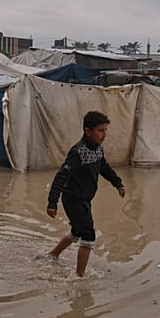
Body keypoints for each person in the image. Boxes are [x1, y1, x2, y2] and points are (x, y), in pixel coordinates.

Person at [46, 110, 126, 276]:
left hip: (84, 199)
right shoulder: (78, 152)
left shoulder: (98, 149)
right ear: (88, 131)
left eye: (105, 130)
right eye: (100, 130)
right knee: (88, 235)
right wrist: (52, 202)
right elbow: (61, 176)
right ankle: (80, 277)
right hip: (73, 199)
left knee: (77, 231)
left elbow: (104, 167)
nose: (104, 135)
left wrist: (117, 183)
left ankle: (53, 255)